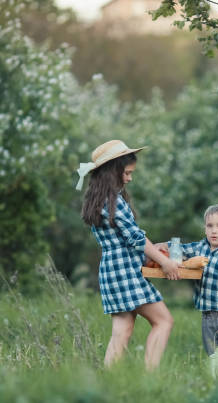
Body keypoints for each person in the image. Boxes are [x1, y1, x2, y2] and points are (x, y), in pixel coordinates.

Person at [76, 139, 180, 370]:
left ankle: (108, 381)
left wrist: (155, 248)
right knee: (163, 321)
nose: (129, 178)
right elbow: (135, 238)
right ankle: (149, 378)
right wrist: (164, 261)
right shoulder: (114, 202)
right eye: (127, 173)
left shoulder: (97, 200)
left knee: (122, 332)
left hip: (111, 270)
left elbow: (124, 240)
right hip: (125, 272)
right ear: (113, 171)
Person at [158, 204, 218, 359]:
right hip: (206, 316)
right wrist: (157, 247)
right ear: (205, 228)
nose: (214, 230)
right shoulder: (200, 247)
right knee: (213, 355)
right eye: (210, 226)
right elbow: (180, 249)